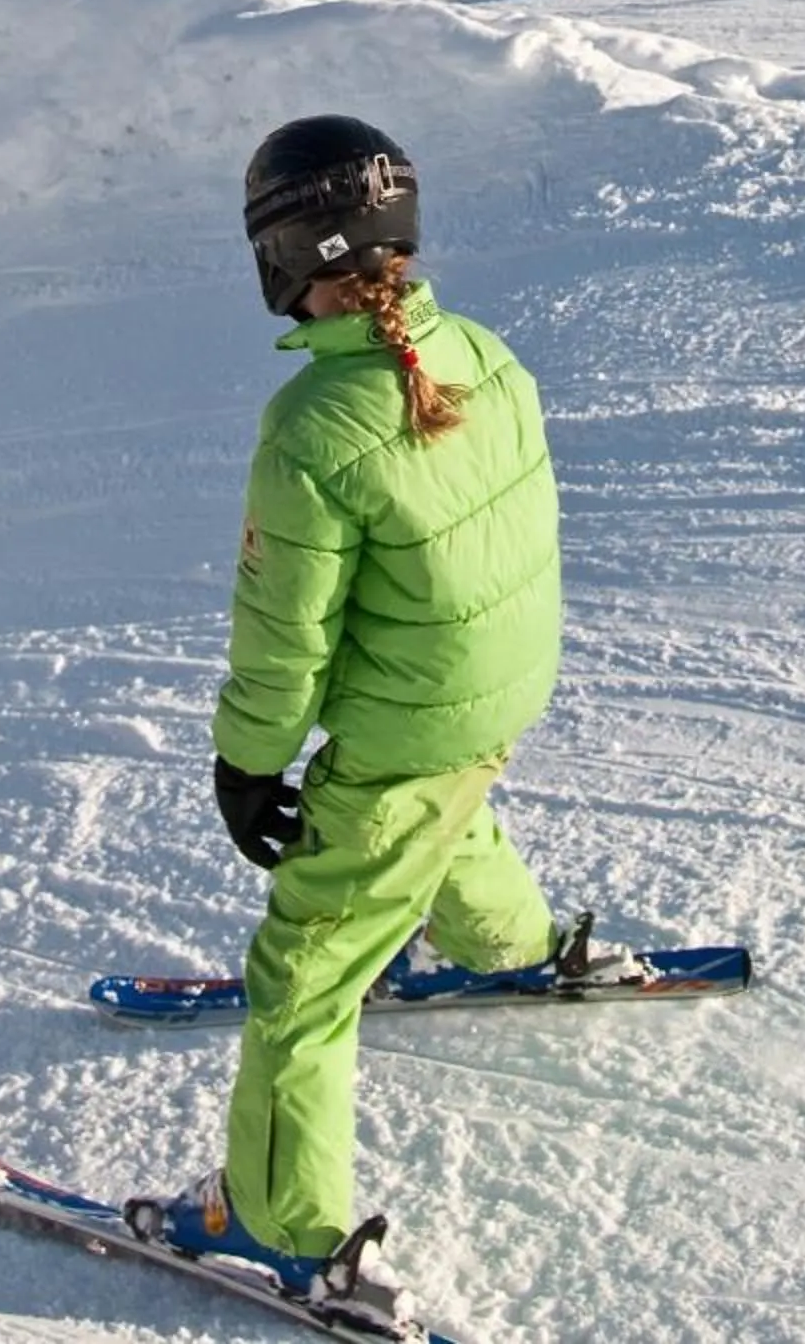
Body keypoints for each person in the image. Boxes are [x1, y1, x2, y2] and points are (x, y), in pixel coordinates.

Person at [148, 115, 642, 1322]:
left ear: (280, 255)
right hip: (499, 689)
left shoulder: (314, 429)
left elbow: (286, 635)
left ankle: (274, 1215)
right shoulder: (480, 349)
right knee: (437, 800)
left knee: (305, 972)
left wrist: (249, 763)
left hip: (412, 726)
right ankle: (507, 942)